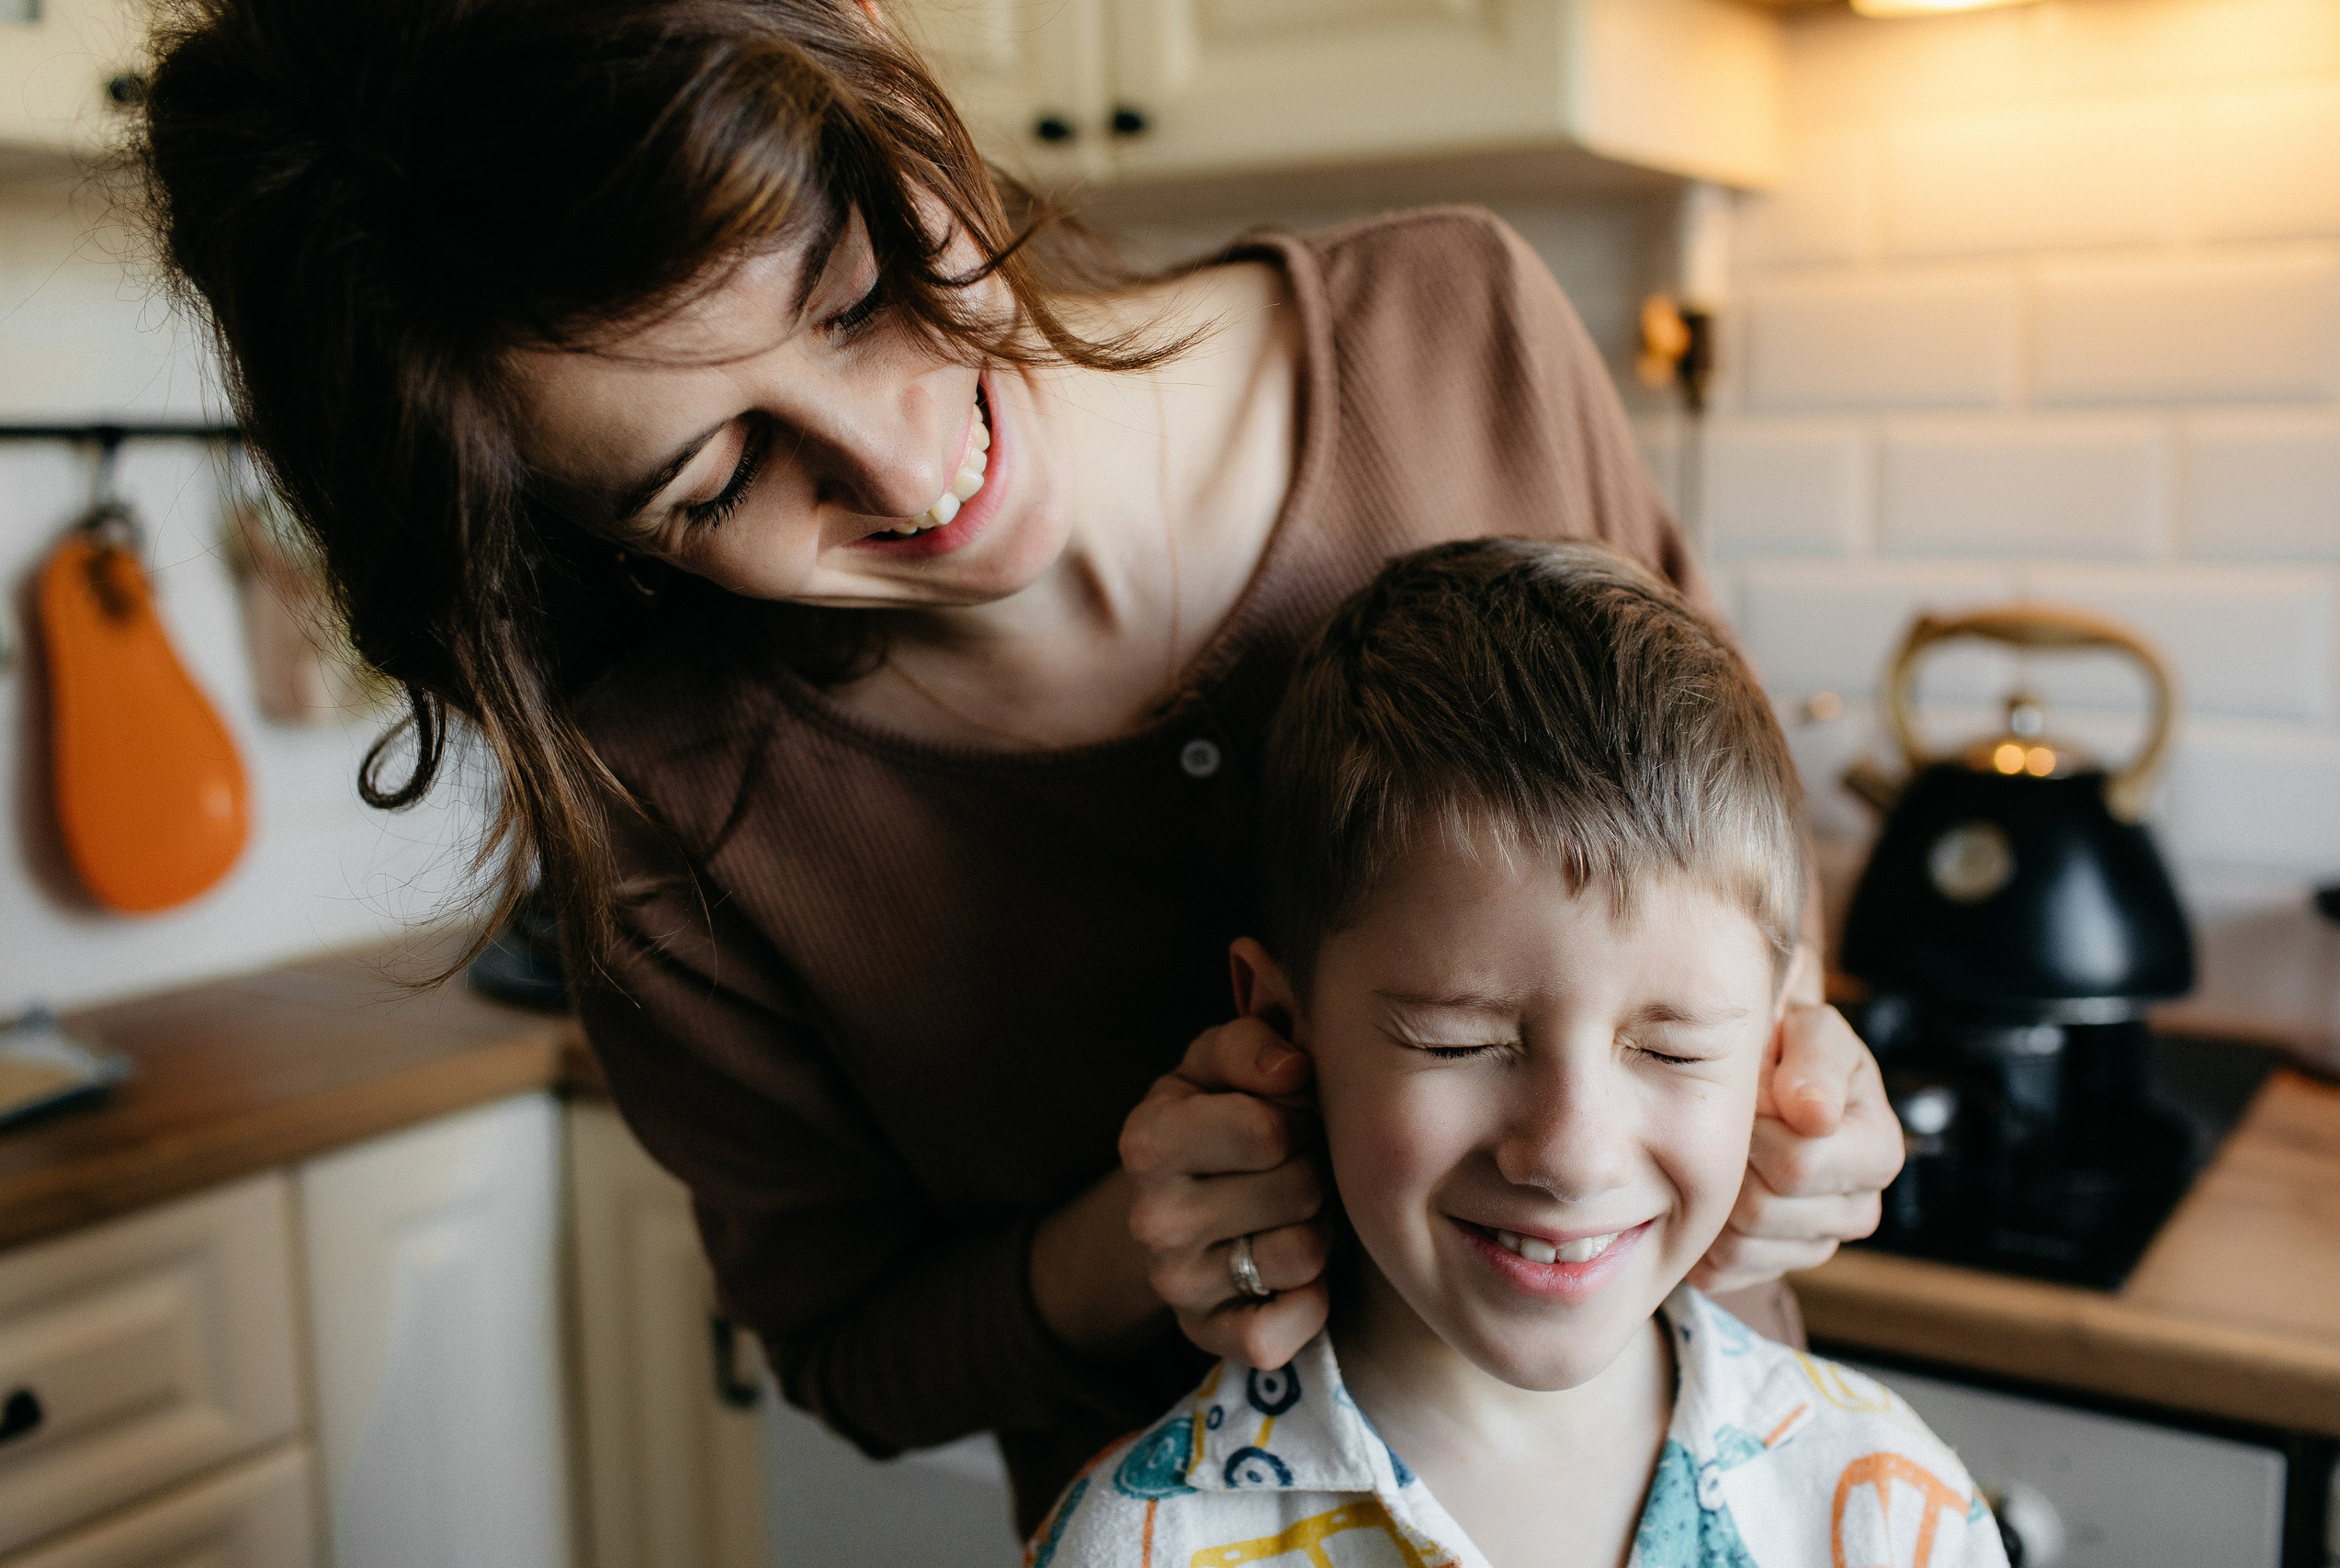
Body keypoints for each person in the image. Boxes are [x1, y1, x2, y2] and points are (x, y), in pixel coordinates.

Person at [133, 0, 1903, 1534]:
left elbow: (1740, 877)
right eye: (713, 480)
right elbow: (855, 1357)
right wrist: (1118, 1248)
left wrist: (1801, 1083)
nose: (903, 470)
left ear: (875, 56)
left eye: (848, 295)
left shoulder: (1465, 336)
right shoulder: (674, 815)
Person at [1036, 539, 2005, 1568]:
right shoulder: (1141, 1545)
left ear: (1780, 1034)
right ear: (1280, 1028)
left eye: (1674, 1051)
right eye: (1459, 1042)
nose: (1571, 1153)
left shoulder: (1888, 1507)